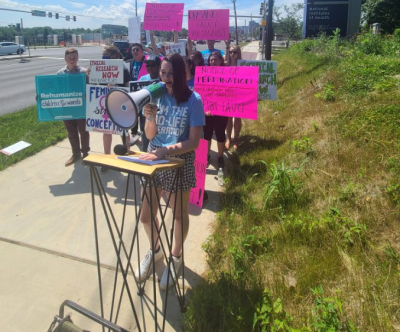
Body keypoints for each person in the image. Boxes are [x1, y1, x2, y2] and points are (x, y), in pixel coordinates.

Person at [135, 53, 205, 290]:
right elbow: (151, 136)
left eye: (170, 73)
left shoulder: (194, 100)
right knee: (145, 216)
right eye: (162, 73)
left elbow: (194, 142)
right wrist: (150, 116)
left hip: (178, 162)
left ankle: (175, 257)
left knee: (177, 215)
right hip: (155, 158)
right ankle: (155, 251)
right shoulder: (157, 98)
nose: (165, 78)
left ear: (181, 73)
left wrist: (167, 151)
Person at [56, 48, 90, 167]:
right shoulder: (60, 73)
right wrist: (41, 96)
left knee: (84, 131)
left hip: (81, 107)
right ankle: (75, 154)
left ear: (78, 58)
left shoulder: (84, 72)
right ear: (65, 59)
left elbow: (91, 88)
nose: (72, 60)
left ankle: (85, 152)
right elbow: (55, 90)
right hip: (67, 108)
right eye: (69, 58)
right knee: (71, 132)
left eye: (74, 57)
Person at [100, 46, 131, 172]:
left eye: (105, 55)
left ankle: (128, 154)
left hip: (120, 105)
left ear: (113, 56)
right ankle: (107, 159)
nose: (103, 58)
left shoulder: (123, 69)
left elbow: (128, 88)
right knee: (106, 131)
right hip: (106, 104)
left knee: (123, 131)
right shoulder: (100, 69)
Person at [202, 51, 228, 169]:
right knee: (206, 135)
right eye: (211, 60)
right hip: (208, 111)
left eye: (215, 60)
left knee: (220, 134)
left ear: (221, 61)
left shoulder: (227, 74)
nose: (213, 62)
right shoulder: (204, 74)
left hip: (222, 110)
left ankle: (220, 156)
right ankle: (206, 155)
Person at [138, 54, 162, 152]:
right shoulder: (142, 79)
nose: (149, 67)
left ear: (159, 66)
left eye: (152, 65)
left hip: (160, 115)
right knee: (146, 139)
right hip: (146, 115)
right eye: (147, 65)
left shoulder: (163, 79)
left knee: (157, 141)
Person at [224, 42, 243, 151]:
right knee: (228, 117)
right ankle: (228, 139)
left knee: (238, 116)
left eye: (234, 52)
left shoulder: (243, 64)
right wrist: (227, 45)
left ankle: (236, 139)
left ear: (238, 53)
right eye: (230, 52)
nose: (232, 54)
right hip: (227, 94)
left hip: (239, 93)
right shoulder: (225, 65)